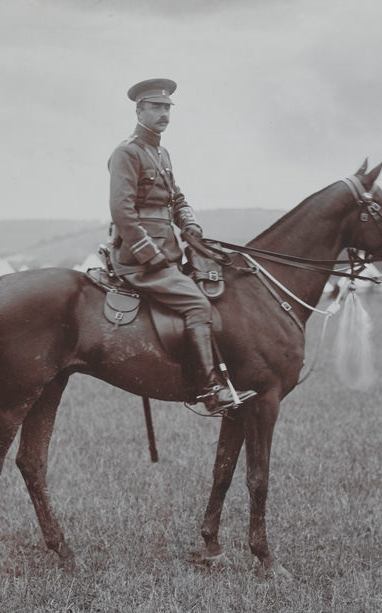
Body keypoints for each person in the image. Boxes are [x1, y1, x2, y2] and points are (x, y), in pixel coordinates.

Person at [107, 78, 255, 414]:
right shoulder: (127, 152)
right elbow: (122, 211)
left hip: (170, 252)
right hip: (139, 258)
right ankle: (209, 391)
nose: (164, 114)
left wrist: (190, 226)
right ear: (139, 110)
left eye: (167, 108)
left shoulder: (161, 152)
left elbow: (176, 199)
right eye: (156, 108)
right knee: (198, 305)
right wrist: (151, 255)